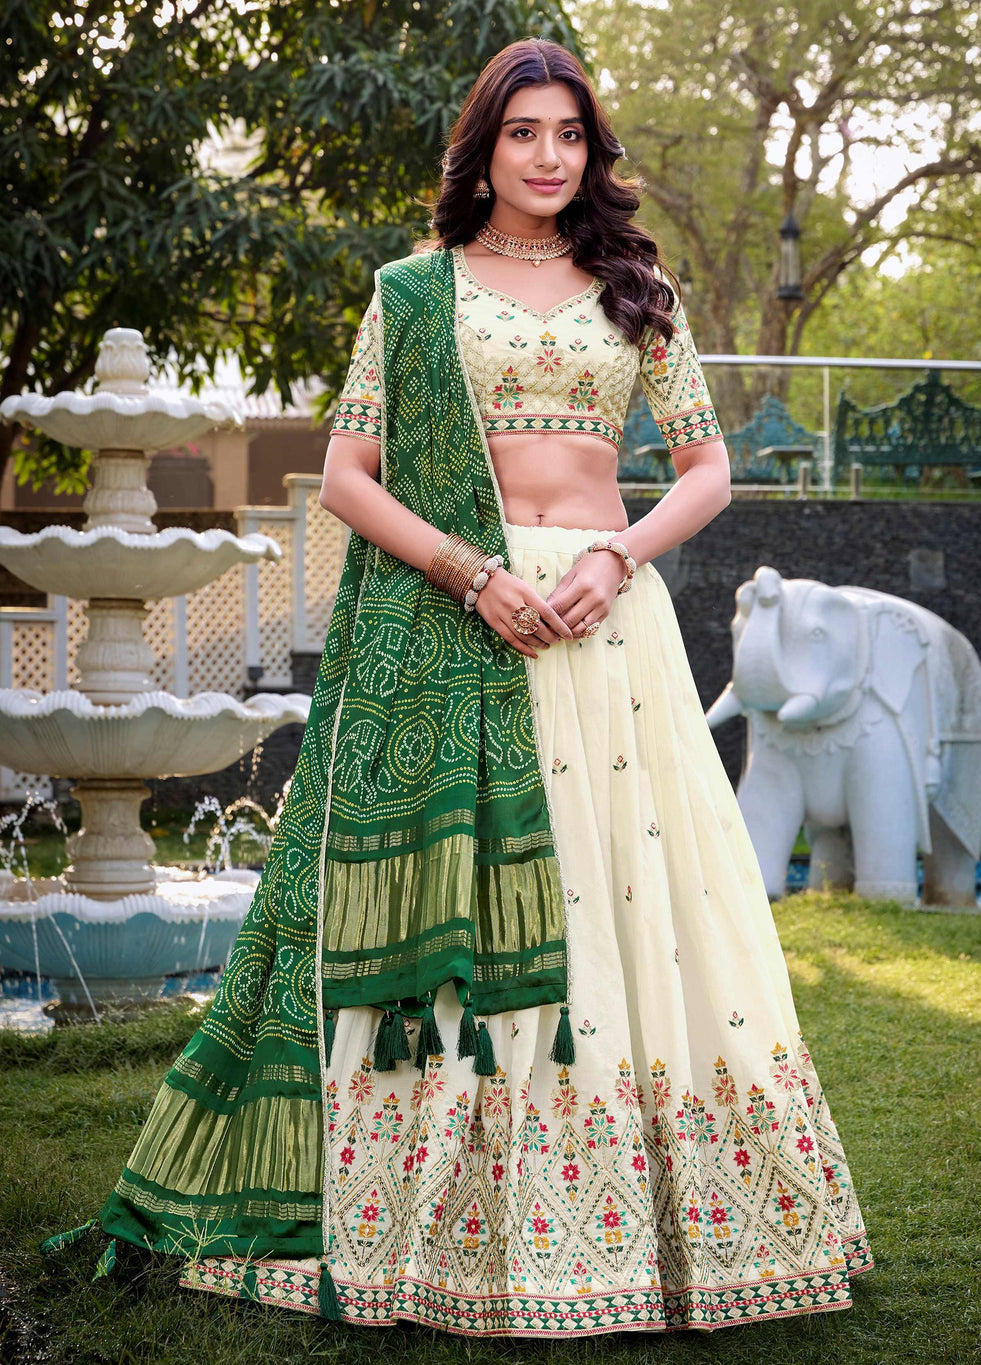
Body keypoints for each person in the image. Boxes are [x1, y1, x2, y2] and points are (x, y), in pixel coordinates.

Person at [43, 37, 873, 1338]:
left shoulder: (638, 287)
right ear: (484, 145)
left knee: (626, 904)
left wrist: (620, 552)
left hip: (608, 621)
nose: (550, 157)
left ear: (592, 153)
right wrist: (471, 573)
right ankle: (434, 1215)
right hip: (460, 616)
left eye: (571, 136)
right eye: (525, 132)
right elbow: (349, 474)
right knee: (474, 912)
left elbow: (707, 466)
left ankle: (655, 1220)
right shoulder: (416, 293)